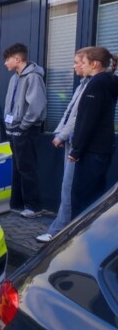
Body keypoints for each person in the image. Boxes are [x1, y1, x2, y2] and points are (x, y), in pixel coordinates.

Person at [36, 50, 89, 243]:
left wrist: (62, 135)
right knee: (67, 188)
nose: (74, 66)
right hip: (70, 141)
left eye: (77, 62)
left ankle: (59, 231)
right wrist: (59, 132)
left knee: (69, 188)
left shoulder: (92, 86)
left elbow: (78, 117)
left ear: (90, 63)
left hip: (77, 144)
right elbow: (69, 111)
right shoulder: (82, 85)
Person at [68, 46, 118, 218]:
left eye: (83, 62)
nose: (80, 65)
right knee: (94, 194)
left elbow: (88, 120)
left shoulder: (97, 83)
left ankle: (79, 232)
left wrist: (76, 150)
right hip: (102, 149)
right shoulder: (109, 81)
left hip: (92, 151)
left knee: (82, 197)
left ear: (94, 64)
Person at [2, 43, 47, 219]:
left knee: (27, 167)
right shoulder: (14, 78)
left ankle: (34, 207)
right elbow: (10, 103)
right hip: (13, 128)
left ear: (17, 59)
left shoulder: (33, 77)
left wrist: (24, 125)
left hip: (26, 130)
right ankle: (18, 204)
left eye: (7, 59)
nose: (5, 63)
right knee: (17, 167)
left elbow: (37, 105)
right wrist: (10, 125)